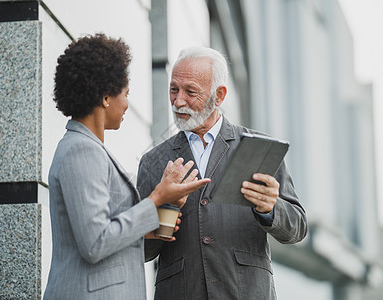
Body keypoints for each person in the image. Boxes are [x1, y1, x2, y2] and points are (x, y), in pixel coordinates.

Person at [43, 34, 210, 300]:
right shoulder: (81, 150)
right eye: (126, 94)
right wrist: (156, 198)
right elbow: (95, 243)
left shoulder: (91, 150)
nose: (127, 104)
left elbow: (107, 232)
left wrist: (163, 213)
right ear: (106, 97)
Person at [137, 46, 307, 299]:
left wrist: (270, 208)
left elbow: (298, 228)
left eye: (190, 92)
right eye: (174, 89)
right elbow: (141, 250)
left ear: (219, 95)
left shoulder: (259, 149)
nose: (178, 101)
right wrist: (165, 212)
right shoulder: (153, 161)